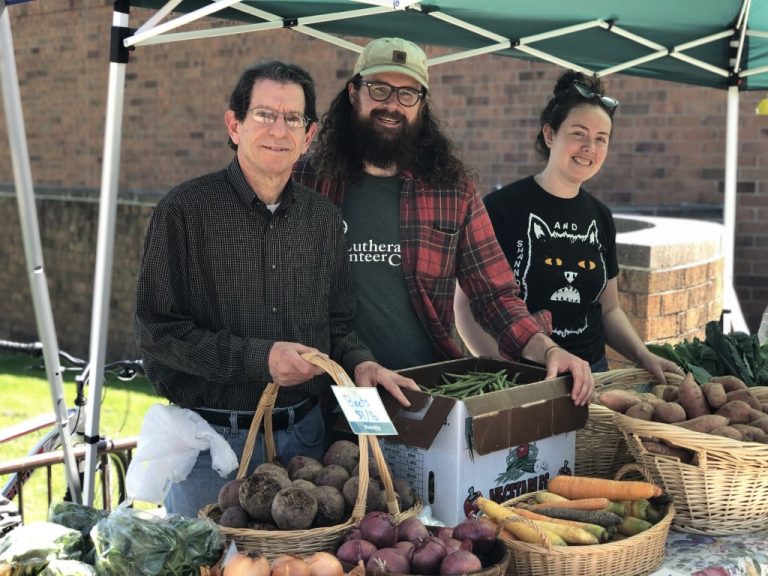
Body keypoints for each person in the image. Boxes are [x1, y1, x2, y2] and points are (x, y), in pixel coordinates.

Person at [135, 60, 417, 518]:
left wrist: (360, 361)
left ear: (308, 136)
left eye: (293, 119)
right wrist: (260, 359)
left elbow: (338, 324)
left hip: (305, 447)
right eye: (265, 114)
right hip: (211, 446)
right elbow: (157, 333)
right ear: (235, 124)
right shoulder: (183, 211)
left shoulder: (323, 220)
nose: (278, 130)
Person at [293, 37, 594, 404]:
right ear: (354, 92)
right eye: (380, 89)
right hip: (329, 390)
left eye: (408, 94)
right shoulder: (306, 181)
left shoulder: (452, 192)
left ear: (422, 105)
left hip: (426, 394)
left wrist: (547, 350)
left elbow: (494, 294)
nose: (392, 105)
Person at [459, 70, 680, 384]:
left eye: (601, 139)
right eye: (579, 133)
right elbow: (466, 306)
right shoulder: (500, 208)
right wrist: (501, 373)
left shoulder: (601, 217)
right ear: (550, 135)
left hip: (592, 379)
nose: (590, 146)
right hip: (524, 379)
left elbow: (608, 309)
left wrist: (644, 356)